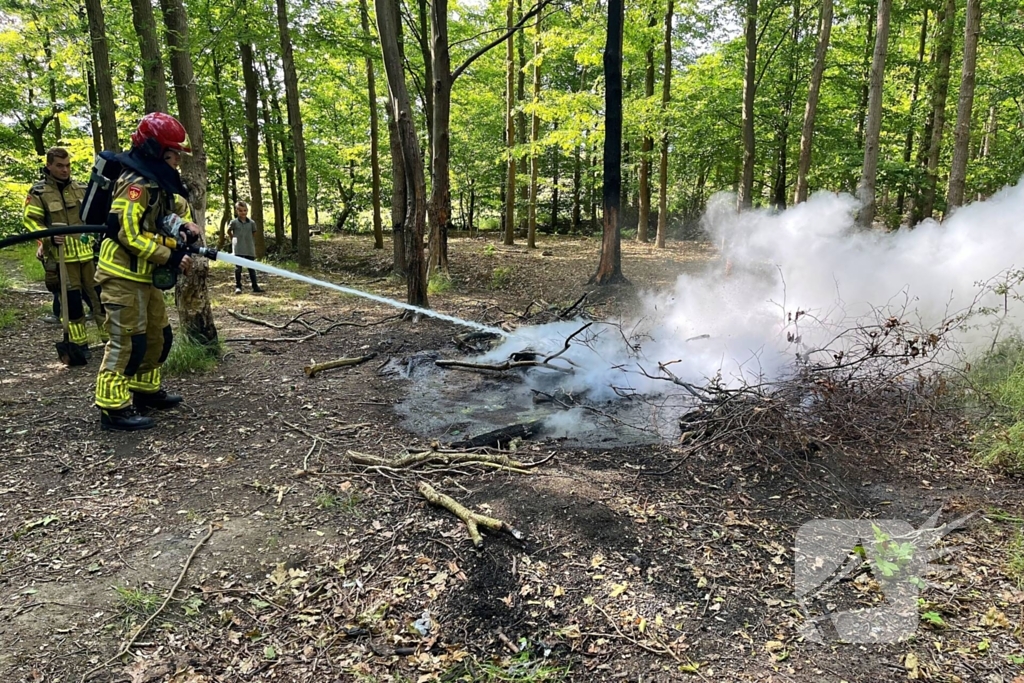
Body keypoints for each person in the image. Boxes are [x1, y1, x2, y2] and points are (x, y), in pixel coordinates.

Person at [94, 112, 200, 431]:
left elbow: (172, 210)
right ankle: (113, 408)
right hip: (121, 275)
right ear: (155, 150)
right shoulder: (134, 184)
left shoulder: (158, 181)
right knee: (128, 342)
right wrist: (169, 255)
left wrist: (184, 224)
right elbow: (126, 233)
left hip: (145, 276)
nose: (177, 161)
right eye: (173, 154)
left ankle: (145, 390)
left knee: (158, 337)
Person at [23, 147, 101, 350]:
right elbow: (31, 221)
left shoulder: (81, 188)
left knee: (100, 300)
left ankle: (110, 342)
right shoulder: (38, 192)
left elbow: (94, 216)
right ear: (49, 166)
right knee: (72, 305)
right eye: (59, 166)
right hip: (61, 258)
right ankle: (78, 346)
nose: (65, 170)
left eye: (67, 165)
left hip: (88, 256)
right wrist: (47, 236)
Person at [227, 201, 262, 294]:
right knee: (238, 269)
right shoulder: (234, 222)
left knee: (251, 268)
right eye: (240, 211)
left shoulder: (252, 223)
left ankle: (255, 286)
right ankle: (238, 286)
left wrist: (248, 240)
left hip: (249, 248)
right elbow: (228, 231)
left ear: (247, 210)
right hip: (238, 248)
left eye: (245, 210)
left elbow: (254, 233)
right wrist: (233, 238)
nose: (243, 212)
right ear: (237, 211)